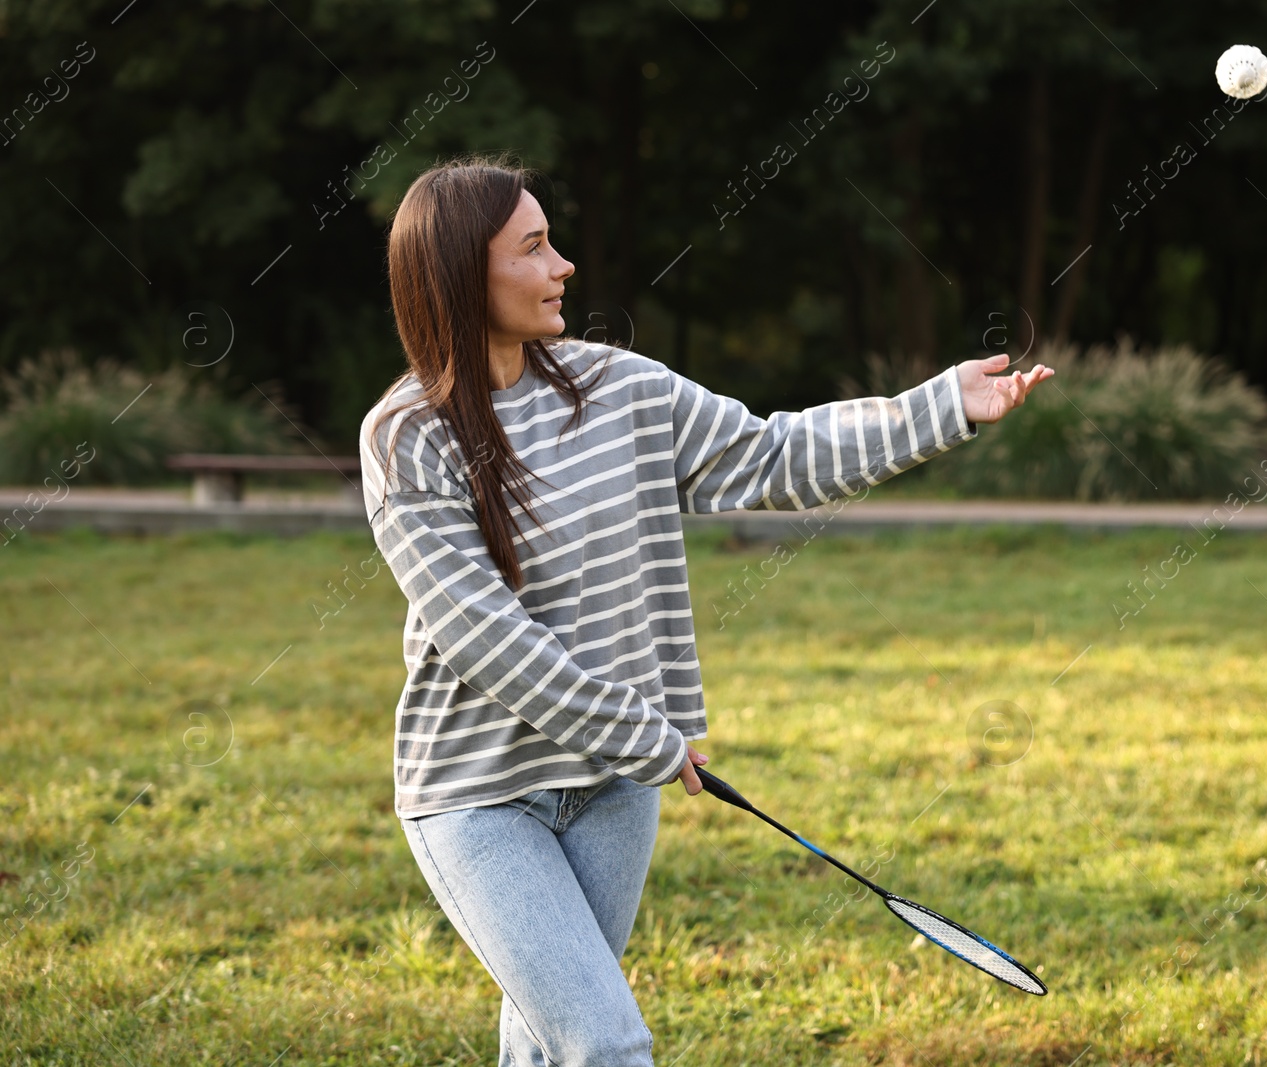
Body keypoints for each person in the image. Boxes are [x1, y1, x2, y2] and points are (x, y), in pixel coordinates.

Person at [358, 156, 1053, 1067]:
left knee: (548, 1039)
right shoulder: (407, 437)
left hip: (615, 788)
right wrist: (643, 733)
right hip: (481, 791)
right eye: (534, 247)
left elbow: (770, 455)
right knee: (605, 1042)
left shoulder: (619, 390)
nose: (564, 264)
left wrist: (940, 407)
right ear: (461, 274)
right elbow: (488, 638)